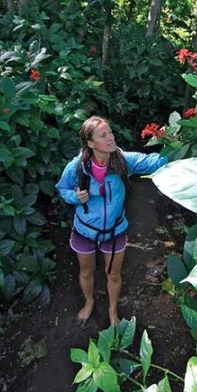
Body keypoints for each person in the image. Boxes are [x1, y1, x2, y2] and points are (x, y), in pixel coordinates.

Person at [55, 116, 168, 327]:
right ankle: (89, 303)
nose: (110, 138)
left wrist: (179, 148)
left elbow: (152, 162)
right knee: (86, 271)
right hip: (85, 230)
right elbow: (62, 188)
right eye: (103, 135)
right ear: (90, 143)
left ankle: (112, 311)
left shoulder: (121, 160)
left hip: (115, 230)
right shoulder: (77, 166)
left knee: (113, 274)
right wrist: (75, 197)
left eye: (110, 132)